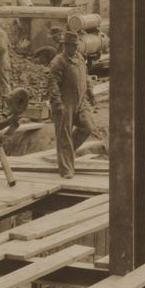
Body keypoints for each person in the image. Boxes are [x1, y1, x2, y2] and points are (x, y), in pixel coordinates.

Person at [47, 30, 97, 178]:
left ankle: (66, 153)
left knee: (88, 126)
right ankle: (66, 170)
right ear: (65, 45)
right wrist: (57, 103)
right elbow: (53, 84)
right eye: (73, 46)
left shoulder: (80, 58)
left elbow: (86, 78)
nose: (76, 48)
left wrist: (91, 94)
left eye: (77, 45)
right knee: (64, 135)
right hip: (64, 103)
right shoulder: (58, 62)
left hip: (80, 102)